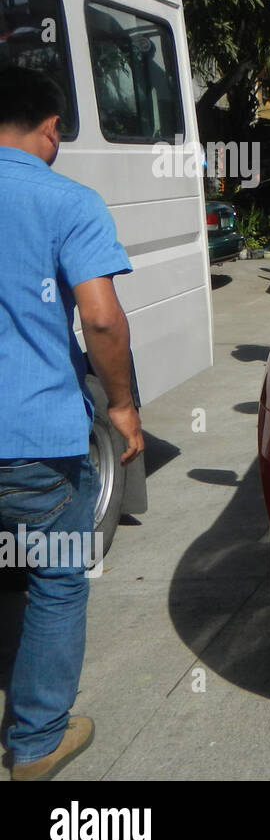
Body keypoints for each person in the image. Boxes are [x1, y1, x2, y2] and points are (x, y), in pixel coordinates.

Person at [0, 66, 143, 781]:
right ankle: (34, 742)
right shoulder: (68, 201)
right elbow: (100, 317)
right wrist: (121, 405)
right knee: (56, 579)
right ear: (50, 127)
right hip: (34, 443)